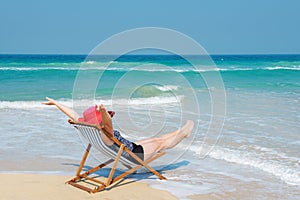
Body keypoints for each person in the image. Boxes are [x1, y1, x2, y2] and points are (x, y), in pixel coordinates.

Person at [42, 97, 194, 162]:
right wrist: (102, 111)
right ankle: (184, 133)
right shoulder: (105, 134)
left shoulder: (88, 128)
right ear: (101, 121)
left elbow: (73, 114)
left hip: (128, 149)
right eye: (106, 116)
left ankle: (180, 130)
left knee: (156, 139)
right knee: (161, 144)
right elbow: (108, 125)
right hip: (134, 156)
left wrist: (56, 103)